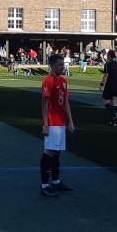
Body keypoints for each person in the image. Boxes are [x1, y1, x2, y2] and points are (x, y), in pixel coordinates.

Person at [40, 54, 75, 197]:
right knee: (49, 152)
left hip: (61, 123)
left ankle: (56, 181)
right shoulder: (48, 81)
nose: (63, 67)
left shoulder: (63, 80)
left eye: (63, 64)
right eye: (60, 65)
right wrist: (45, 125)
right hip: (52, 123)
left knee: (57, 153)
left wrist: (70, 121)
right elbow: (44, 105)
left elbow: (65, 101)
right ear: (53, 65)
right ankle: (44, 185)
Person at [101, 50, 117, 126]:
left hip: (110, 85)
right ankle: (114, 121)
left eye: (107, 55)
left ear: (109, 56)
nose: (106, 56)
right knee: (114, 102)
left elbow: (106, 75)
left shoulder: (107, 64)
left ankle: (115, 114)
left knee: (106, 102)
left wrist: (102, 84)